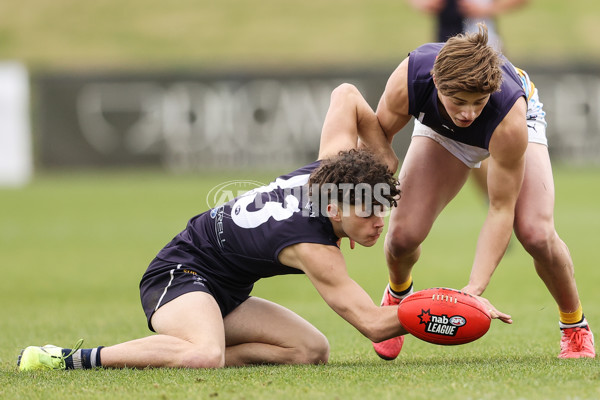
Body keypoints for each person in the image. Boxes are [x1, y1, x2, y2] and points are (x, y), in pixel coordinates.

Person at [16, 84, 511, 371]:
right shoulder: (312, 245)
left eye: (382, 209)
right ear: (337, 208)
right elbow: (375, 324)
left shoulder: (333, 169)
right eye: (368, 213)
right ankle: (68, 359)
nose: (379, 223)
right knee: (205, 356)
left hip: (224, 290)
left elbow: (345, 95)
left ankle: (185, 344)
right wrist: (458, 304)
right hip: (178, 278)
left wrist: (383, 161)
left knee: (309, 352)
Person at [370, 24, 595, 361]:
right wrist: (361, 203)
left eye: (477, 102)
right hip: (439, 131)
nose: (468, 113)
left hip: (508, 124)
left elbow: (501, 208)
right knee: (402, 237)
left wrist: (473, 290)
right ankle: (399, 297)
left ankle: (574, 325)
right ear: (437, 84)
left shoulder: (508, 115)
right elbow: (377, 141)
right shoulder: (411, 78)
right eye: (458, 101)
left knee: (535, 233)